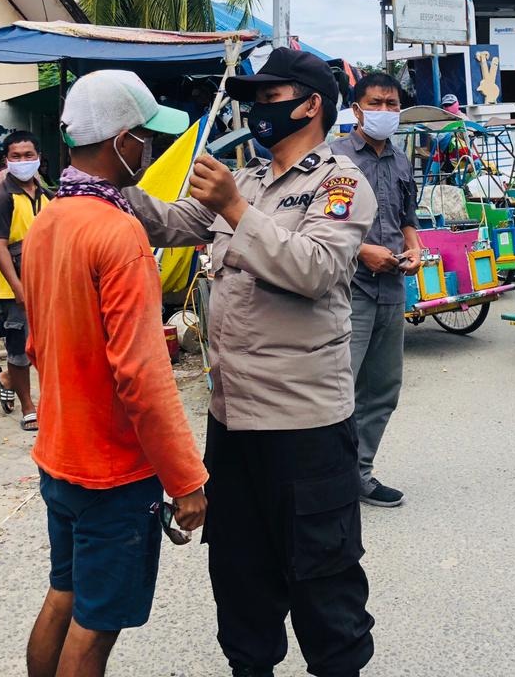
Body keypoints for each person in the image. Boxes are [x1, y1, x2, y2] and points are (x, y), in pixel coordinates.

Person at [127, 47, 377, 677]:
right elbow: (171, 222)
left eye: (268, 98)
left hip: (304, 424)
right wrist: (108, 183)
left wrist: (237, 211)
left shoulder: (340, 184)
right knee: (239, 575)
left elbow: (316, 271)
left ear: (310, 104)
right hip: (233, 421)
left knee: (324, 583)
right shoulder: (252, 179)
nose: (255, 109)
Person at [20, 70, 207, 677]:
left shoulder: (50, 218)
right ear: (122, 140)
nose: (149, 150)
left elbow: (39, 338)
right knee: (95, 630)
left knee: (64, 594)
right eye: (145, 138)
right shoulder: (120, 233)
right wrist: (185, 479)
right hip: (112, 471)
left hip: (59, 452)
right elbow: (144, 378)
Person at [331, 72, 422, 508]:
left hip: (393, 285)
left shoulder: (402, 161)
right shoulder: (335, 159)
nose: (386, 111)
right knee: (338, 386)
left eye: (392, 104)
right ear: (356, 109)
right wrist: (362, 250)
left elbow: (408, 216)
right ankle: (328, 476)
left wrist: (416, 246)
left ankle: (359, 474)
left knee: (384, 386)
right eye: (377, 103)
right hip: (349, 286)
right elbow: (322, 228)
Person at [0, 131, 52, 433]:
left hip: (46, 283)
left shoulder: (47, 195)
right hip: (12, 286)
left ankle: (7, 379)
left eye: (28, 156)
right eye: (16, 156)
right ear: (6, 160)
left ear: (38, 158)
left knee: (47, 346)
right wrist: (18, 288)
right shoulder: (0, 198)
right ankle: (28, 406)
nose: (23, 161)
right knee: (19, 348)